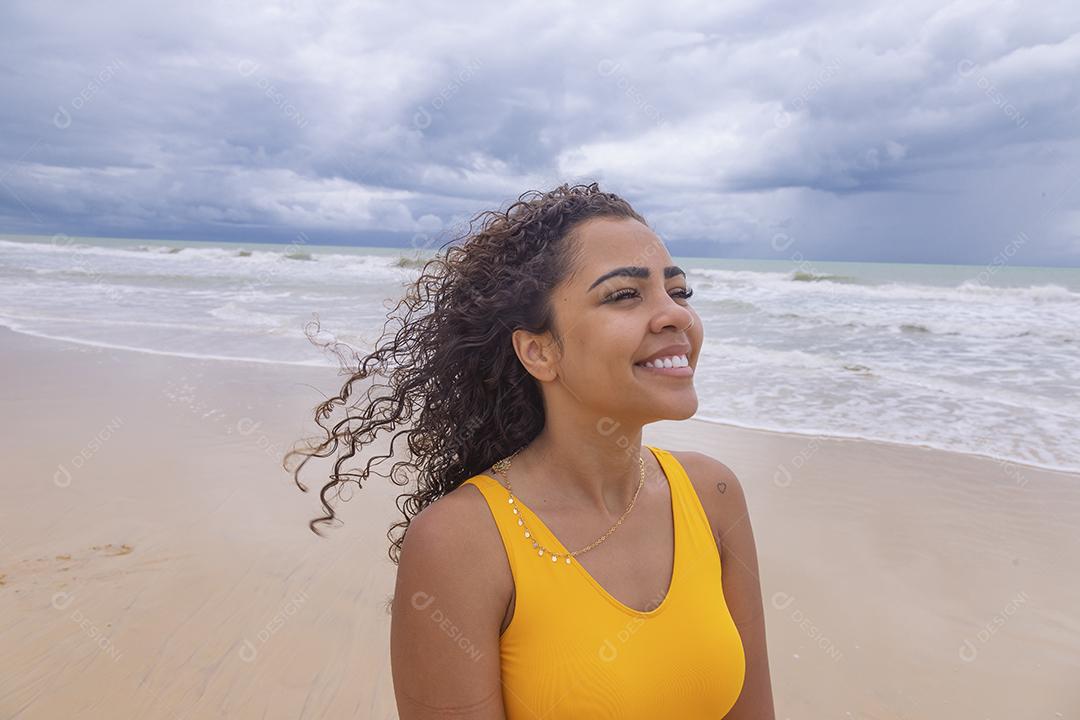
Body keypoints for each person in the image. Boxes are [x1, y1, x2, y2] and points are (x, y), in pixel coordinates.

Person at [287, 182, 774, 718]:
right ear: (539, 351)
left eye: (679, 292)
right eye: (624, 295)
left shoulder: (712, 495)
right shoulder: (463, 542)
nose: (676, 315)